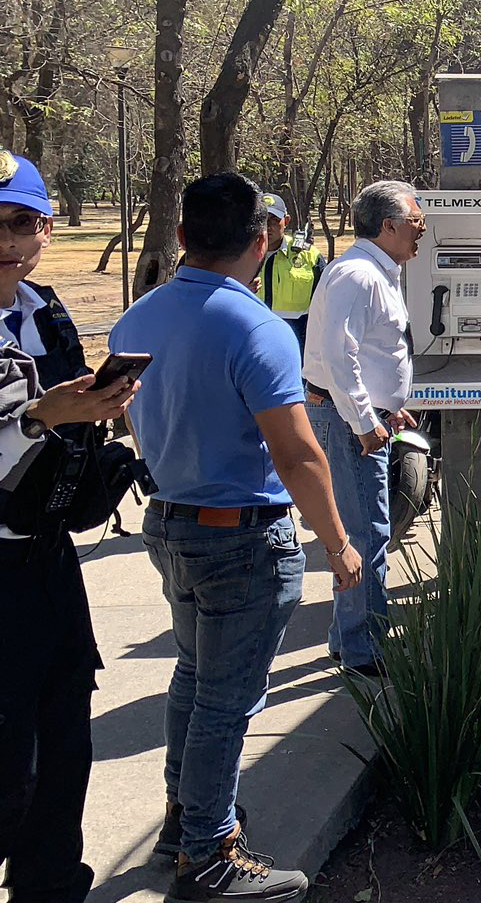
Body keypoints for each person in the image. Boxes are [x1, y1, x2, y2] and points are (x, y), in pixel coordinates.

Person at [112, 171, 363, 901]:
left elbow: (136, 418)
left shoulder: (138, 318)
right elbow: (297, 453)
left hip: (171, 524)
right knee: (227, 698)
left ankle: (184, 819)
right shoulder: (254, 325)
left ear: (183, 237)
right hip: (241, 540)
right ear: (262, 242)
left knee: (194, 679)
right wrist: (339, 542)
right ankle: (210, 851)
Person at [0, 152, 142, 903]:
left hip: (50, 563)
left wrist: (94, 412)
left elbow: (60, 425)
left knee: (65, 750)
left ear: (47, 229)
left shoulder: (45, 309)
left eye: (22, 222)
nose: (8, 240)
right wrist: (36, 415)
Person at [303, 181, 421, 676]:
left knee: (363, 531)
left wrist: (386, 409)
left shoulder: (378, 271)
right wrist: (366, 420)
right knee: (367, 535)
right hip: (349, 424)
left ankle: (345, 637)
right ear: (388, 225)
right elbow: (337, 356)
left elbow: (368, 355)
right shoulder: (357, 274)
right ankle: (364, 649)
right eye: (417, 222)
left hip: (360, 419)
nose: (422, 231)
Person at [255, 192, 324, 352]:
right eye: (262, 220)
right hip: (255, 338)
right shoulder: (241, 256)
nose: (268, 226)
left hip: (298, 341)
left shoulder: (309, 256)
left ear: (286, 221)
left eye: (274, 220)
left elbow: (326, 301)